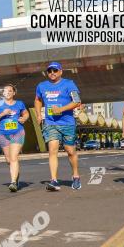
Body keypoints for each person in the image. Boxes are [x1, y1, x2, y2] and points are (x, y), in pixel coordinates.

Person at [34, 61, 82, 191]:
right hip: (51, 123)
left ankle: (76, 175)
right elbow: (37, 100)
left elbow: (77, 101)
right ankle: (54, 180)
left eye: (55, 70)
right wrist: (38, 115)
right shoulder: (42, 86)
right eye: (50, 71)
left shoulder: (69, 84)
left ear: (60, 72)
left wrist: (61, 109)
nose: (52, 73)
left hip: (67, 123)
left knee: (70, 151)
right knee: (52, 149)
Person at [0, 84, 29, 192]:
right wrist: (3, 113)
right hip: (3, 134)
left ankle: (13, 182)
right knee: (9, 160)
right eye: (5, 91)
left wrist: (24, 118)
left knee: (13, 157)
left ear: (14, 93)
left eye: (9, 91)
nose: (7, 93)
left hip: (18, 132)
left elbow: (26, 113)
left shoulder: (19, 103)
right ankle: (16, 178)